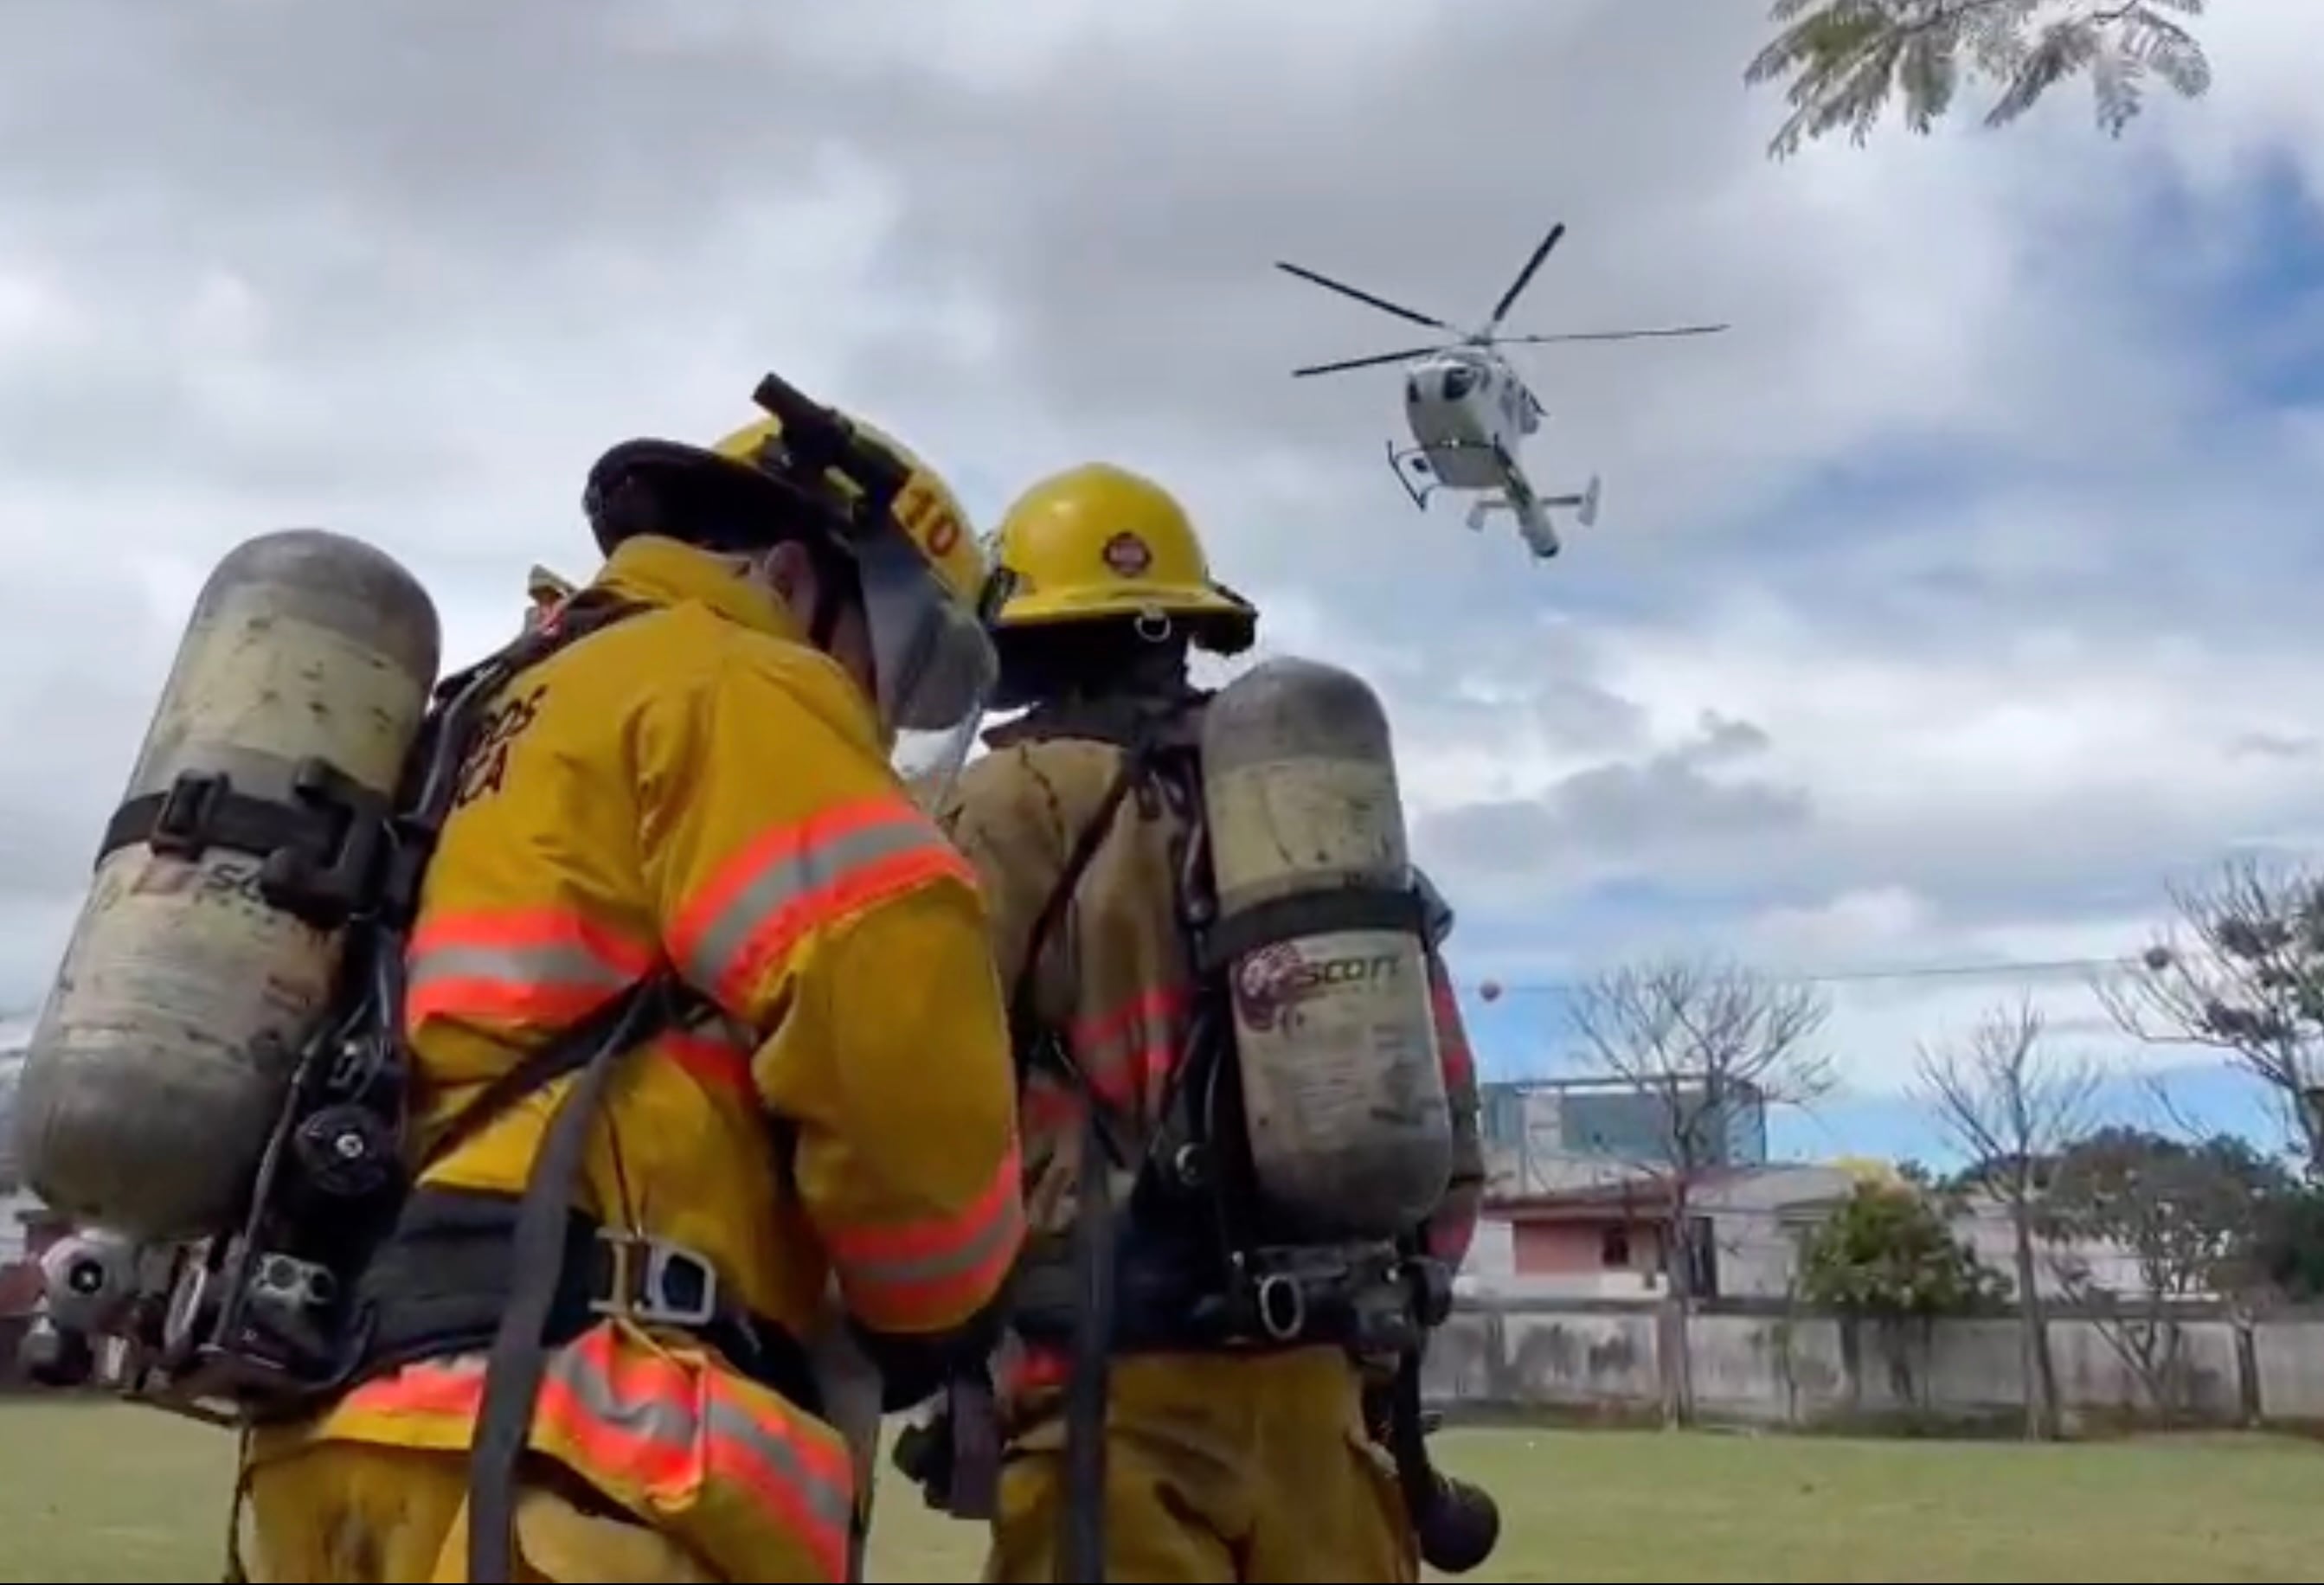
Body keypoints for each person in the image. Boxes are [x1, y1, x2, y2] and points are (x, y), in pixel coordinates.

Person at [235, 377, 1028, 1584]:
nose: (881, 708)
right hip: (573, 1437)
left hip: (337, 1434)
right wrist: (938, 1302)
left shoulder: (483, 711)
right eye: (898, 658)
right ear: (793, 574)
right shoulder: (734, 677)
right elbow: (884, 990)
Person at [934, 462, 1486, 1583]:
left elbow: (909, 1086)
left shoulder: (1004, 808)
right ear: (1184, 631)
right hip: (1325, 1404)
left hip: (1111, 1402)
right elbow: (1445, 1127)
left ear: (1017, 643)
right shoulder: (1312, 824)